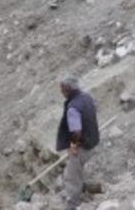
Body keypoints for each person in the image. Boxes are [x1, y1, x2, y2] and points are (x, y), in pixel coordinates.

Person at [55, 75, 100, 210]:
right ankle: (86, 190)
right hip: (93, 140)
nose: (61, 92)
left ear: (68, 89)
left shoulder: (73, 108)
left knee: (72, 176)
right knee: (81, 169)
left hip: (82, 145)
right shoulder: (87, 97)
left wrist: (74, 145)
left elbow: (77, 131)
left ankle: (73, 204)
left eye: (62, 89)